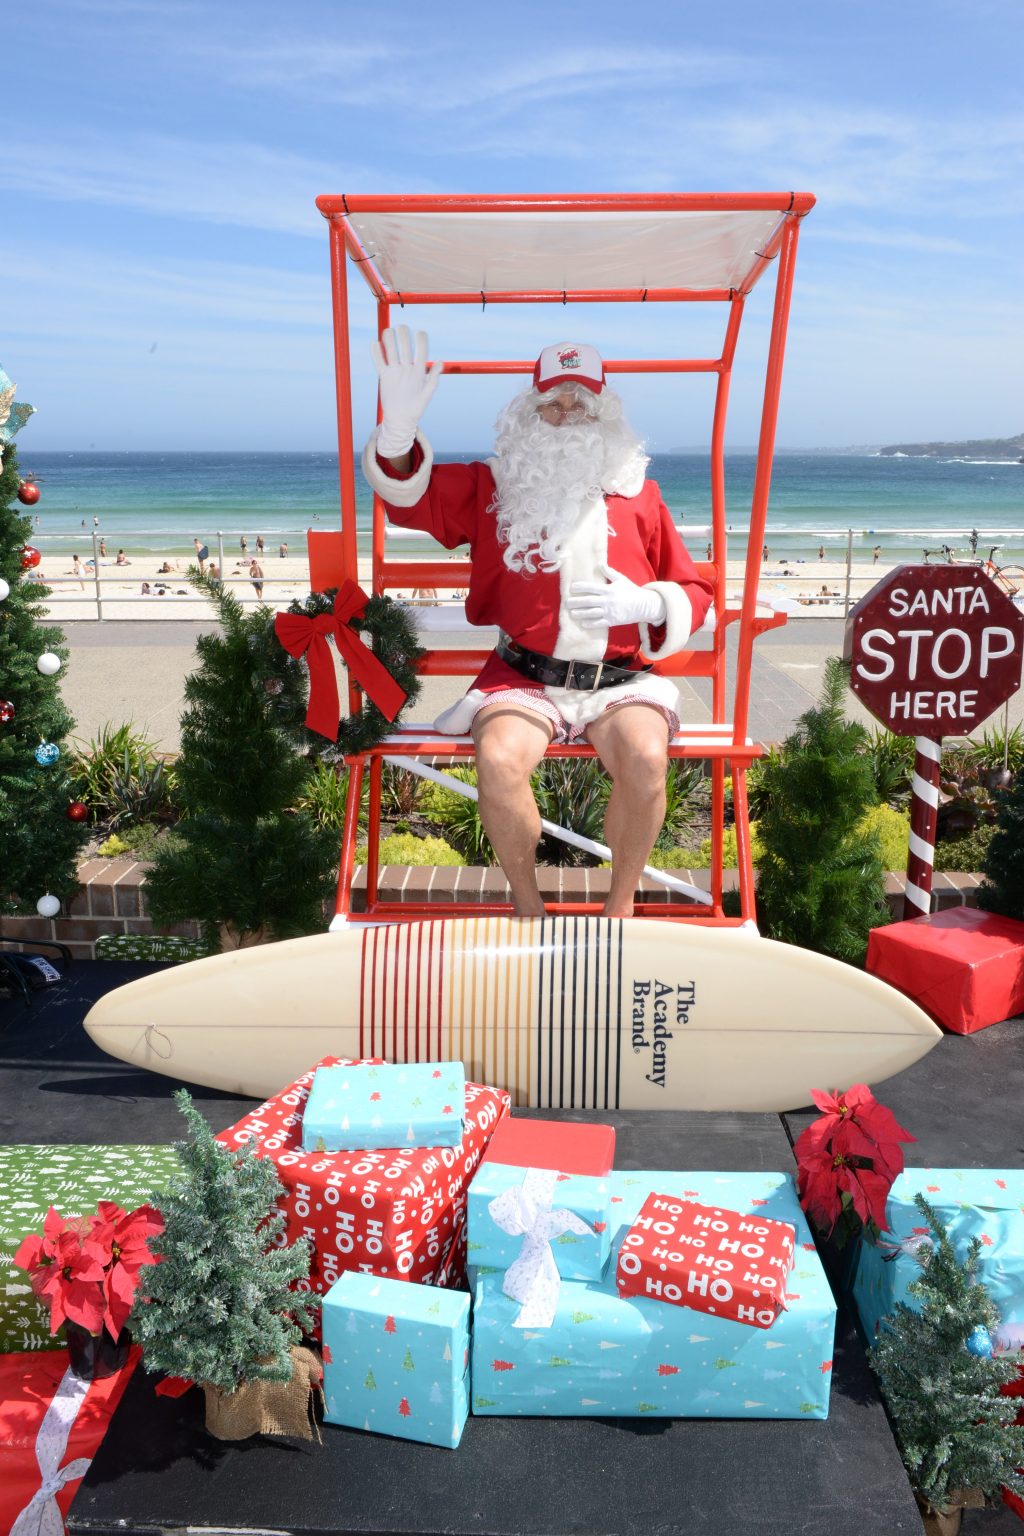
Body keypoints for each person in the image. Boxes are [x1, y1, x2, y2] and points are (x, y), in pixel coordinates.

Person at [364, 327, 713, 918]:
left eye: (581, 402)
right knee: (497, 758)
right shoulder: (492, 486)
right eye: (552, 401)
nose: (566, 413)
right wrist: (397, 437)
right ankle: (527, 906)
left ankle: (620, 907)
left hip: (619, 684)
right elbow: (410, 499)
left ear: (605, 415)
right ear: (529, 411)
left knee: (648, 757)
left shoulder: (640, 495)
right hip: (522, 680)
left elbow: (693, 589)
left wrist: (652, 606)